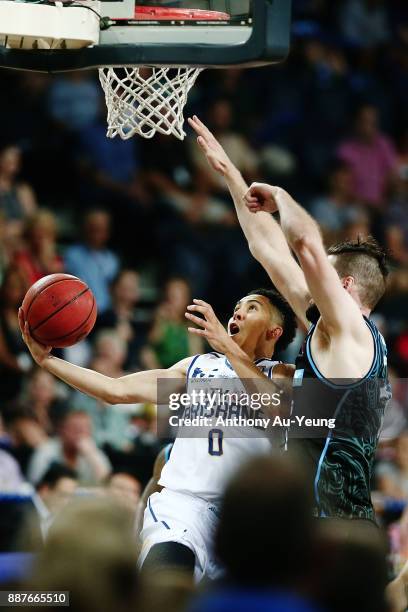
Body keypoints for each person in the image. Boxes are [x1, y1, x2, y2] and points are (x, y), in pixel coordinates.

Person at [189, 114, 391, 523]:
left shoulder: (352, 332)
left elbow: (305, 246)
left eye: (325, 278)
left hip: (335, 529)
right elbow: (270, 250)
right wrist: (231, 173)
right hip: (319, 522)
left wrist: (281, 195)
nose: (311, 281)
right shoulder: (331, 330)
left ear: (345, 286)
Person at [19, 287, 296, 580]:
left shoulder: (282, 374)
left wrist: (230, 349)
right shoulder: (197, 367)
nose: (238, 311)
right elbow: (116, 390)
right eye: (238, 305)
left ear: (274, 332)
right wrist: (48, 362)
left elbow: (278, 409)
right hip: (183, 508)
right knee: (163, 584)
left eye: (252, 308)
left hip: (244, 518)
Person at [27, 409, 111, 486]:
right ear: (62, 429)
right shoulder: (46, 450)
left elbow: (107, 483)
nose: (80, 433)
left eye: (86, 428)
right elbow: (37, 484)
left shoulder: (93, 451)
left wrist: (92, 455)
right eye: (75, 428)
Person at [64, 209, 120, 315]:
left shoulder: (112, 260)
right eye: (93, 229)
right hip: (80, 312)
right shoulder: (73, 255)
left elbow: (113, 291)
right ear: (86, 229)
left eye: (100, 229)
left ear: (107, 232)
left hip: (105, 313)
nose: (96, 234)